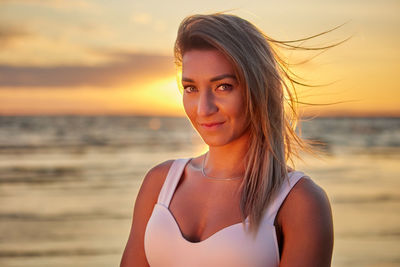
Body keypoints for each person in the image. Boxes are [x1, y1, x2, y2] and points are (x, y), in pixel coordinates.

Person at [120, 13, 334, 267]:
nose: (203, 109)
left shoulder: (299, 202)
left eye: (223, 86)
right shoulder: (161, 183)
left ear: (259, 88)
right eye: (191, 88)